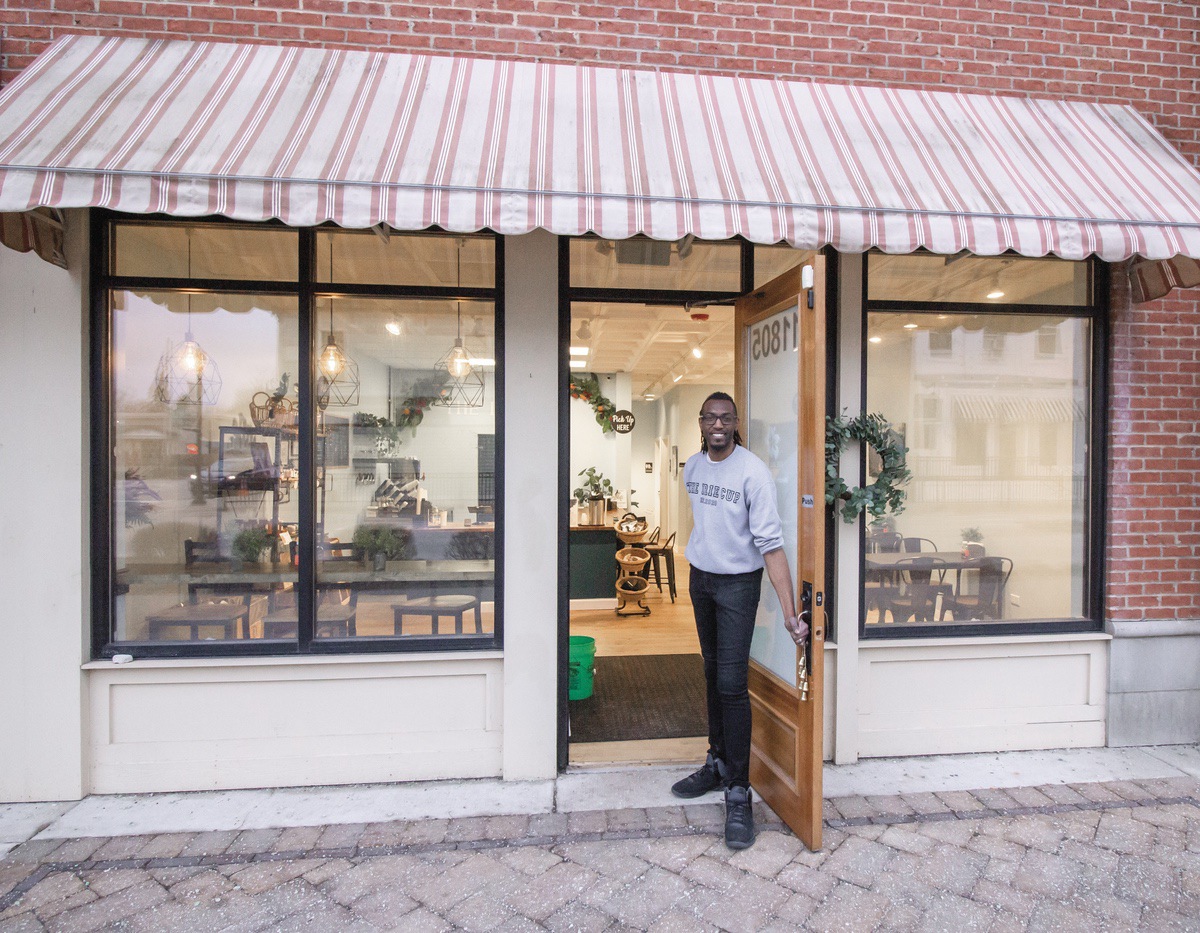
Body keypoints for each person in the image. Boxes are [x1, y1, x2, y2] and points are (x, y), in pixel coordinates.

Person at [672, 391, 808, 850]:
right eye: (709, 417)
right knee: (712, 672)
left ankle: (738, 791)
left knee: (732, 683)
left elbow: (770, 545)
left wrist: (790, 613)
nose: (717, 424)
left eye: (725, 418)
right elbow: (707, 527)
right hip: (701, 581)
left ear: (734, 424)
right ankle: (717, 762)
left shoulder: (753, 472)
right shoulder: (692, 467)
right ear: (701, 422)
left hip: (737, 587)